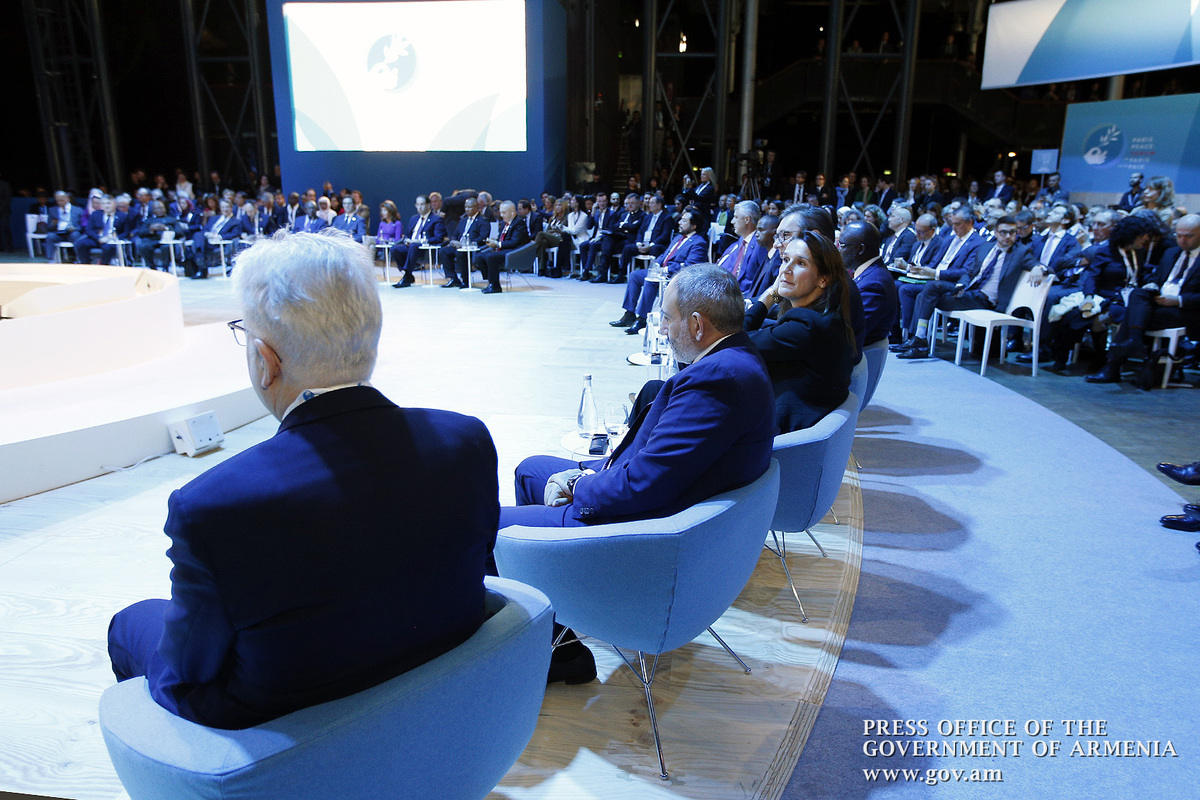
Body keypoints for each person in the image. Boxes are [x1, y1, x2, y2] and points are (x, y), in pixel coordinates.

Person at [106, 230, 500, 730]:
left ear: (266, 361)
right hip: (442, 684)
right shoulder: (465, 439)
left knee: (130, 622)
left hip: (280, 733)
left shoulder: (213, 505)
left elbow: (190, 667)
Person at [745, 230, 857, 432]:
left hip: (779, 435)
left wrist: (769, 297)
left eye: (800, 263)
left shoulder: (806, 325)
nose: (786, 270)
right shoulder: (825, 317)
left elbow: (732, 343)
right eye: (785, 260)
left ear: (823, 279)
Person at [896, 216, 1036, 359]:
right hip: (969, 292)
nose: (1007, 236)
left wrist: (1039, 269)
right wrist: (961, 284)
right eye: (1003, 232)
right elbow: (969, 273)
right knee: (925, 294)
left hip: (985, 299)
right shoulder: (987, 247)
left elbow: (1037, 265)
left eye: (1012, 232)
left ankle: (918, 339)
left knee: (930, 289)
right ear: (996, 232)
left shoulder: (1021, 251)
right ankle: (919, 340)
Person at [1086, 214, 1200, 386]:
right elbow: (1157, 277)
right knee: (1138, 294)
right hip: (1160, 301)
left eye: (1188, 236)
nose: (1182, 240)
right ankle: (1133, 341)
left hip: (1185, 309)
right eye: (1179, 235)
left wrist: (1178, 300)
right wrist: (1152, 284)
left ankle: (1115, 363)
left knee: (1132, 314)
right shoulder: (1172, 253)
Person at [610, 208, 708, 334]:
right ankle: (629, 313)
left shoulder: (699, 243)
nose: (679, 222)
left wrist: (665, 269)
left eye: (684, 221)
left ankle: (642, 318)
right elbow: (664, 255)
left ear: (694, 226)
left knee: (650, 280)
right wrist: (656, 265)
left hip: (675, 277)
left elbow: (690, 266)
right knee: (635, 275)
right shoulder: (678, 237)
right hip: (661, 272)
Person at [840, 221, 898, 348]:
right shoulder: (870, 273)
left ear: (860, 249)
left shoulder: (875, 284)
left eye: (842, 246)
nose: (839, 251)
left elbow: (851, 333)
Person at [478, 200, 530, 294]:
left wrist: (497, 244)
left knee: (491, 257)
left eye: (504, 212)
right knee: (480, 256)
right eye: (501, 212)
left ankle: (495, 286)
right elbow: (500, 239)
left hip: (515, 251)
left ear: (512, 212)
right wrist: (493, 242)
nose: (501, 215)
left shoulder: (519, 223)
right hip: (504, 249)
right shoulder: (503, 223)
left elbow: (515, 242)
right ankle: (490, 280)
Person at [439, 196, 490, 288]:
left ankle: (465, 280)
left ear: (477, 207)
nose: (467, 209)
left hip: (472, 247)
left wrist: (467, 244)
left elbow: (483, 238)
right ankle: (453, 278)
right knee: (443, 251)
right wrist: (453, 241)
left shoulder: (483, 221)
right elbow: (456, 234)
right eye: (466, 207)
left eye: (470, 207)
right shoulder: (463, 220)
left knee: (460, 253)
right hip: (459, 246)